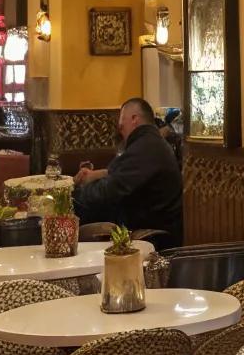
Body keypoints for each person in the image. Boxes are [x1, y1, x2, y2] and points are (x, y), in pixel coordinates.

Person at [72, 97, 183, 246]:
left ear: (134, 119)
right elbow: (119, 173)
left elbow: (110, 190)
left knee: (76, 220)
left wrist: (74, 197)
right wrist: (93, 176)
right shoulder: (150, 143)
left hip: (152, 237)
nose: (121, 130)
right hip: (147, 225)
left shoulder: (146, 148)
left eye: (122, 126)